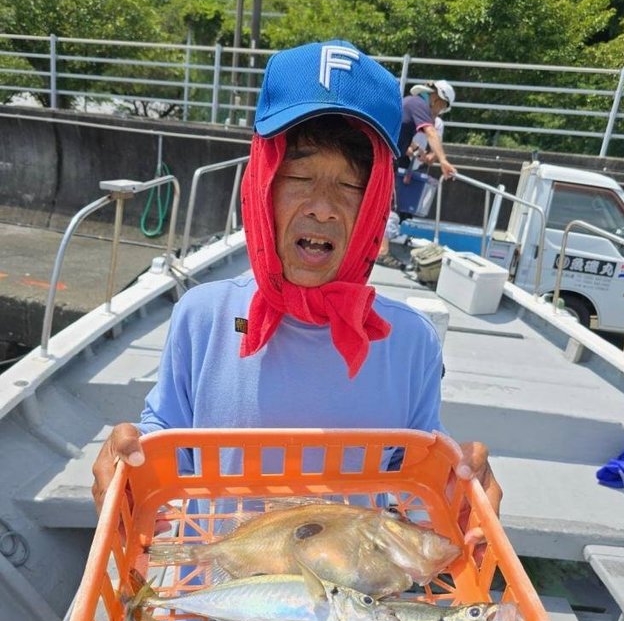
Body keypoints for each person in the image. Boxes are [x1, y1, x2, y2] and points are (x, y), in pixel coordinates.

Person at [92, 41, 500, 548]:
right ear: (261, 182)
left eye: (352, 185)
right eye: (299, 176)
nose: (322, 208)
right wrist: (128, 463)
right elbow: (163, 439)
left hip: (351, 587)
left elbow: (418, 479)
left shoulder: (411, 341)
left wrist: (461, 489)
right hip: (218, 580)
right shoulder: (202, 315)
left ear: (378, 201)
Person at [376, 79, 456, 269]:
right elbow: (430, 132)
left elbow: (401, 132)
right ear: (436, 98)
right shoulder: (419, 104)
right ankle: (382, 252)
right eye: (442, 107)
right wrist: (443, 160)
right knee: (389, 205)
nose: (439, 112)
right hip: (385, 158)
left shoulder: (411, 103)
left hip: (386, 156)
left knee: (382, 203)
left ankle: (373, 247)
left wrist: (415, 150)